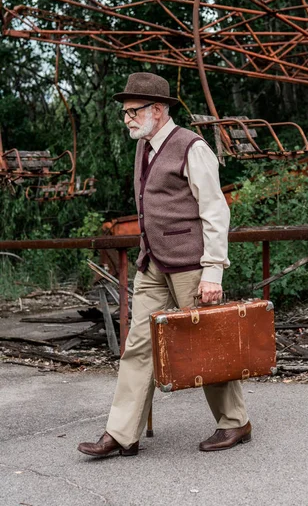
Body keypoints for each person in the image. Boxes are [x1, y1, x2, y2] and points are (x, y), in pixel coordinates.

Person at [78, 72, 250, 457]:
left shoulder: (192, 147)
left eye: (133, 111)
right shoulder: (144, 146)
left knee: (207, 344)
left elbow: (215, 212)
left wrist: (213, 271)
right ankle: (122, 434)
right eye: (125, 113)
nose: (127, 119)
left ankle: (235, 423)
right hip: (152, 263)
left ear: (157, 110)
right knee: (138, 345)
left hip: (191, 264)